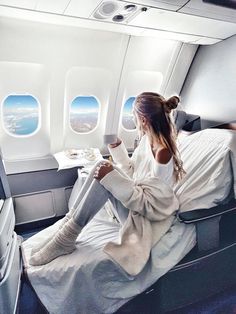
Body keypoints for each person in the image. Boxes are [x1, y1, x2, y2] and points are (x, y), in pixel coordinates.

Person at [29, 92, 185, 276]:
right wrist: (117, 147)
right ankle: (67, 226)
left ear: (143, 119)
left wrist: (110, 177)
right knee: (101, 165)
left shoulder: (162, 153)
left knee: (105, 172)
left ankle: (66, 239)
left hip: (147, 218)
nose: (133, 120)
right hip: (137, 207)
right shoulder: (146, 141)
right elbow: (132, 173)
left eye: (134, 116)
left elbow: (151, 204)